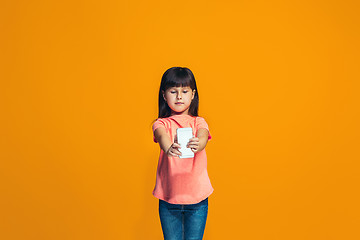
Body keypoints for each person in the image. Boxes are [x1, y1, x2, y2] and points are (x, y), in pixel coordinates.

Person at [151, 66, 214, 240]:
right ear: (164, 95)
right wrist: (168, 147)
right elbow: (161, 135)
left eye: (184, 91)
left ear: (193, 94)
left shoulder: (199, 122)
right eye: (173, 91)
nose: (179, 96)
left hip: (198, 201)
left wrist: (199, 143)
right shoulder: (161, 123)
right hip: (169, 199)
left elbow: (203, 135)